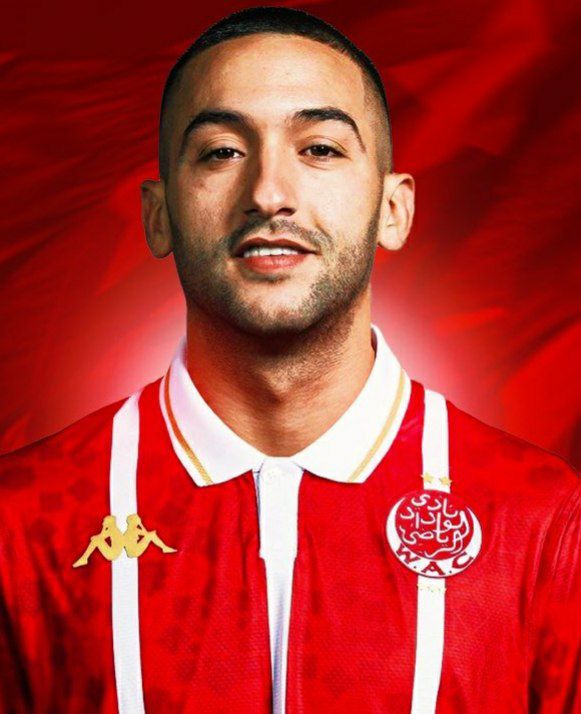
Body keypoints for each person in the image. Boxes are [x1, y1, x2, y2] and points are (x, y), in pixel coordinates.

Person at [0, 6, 578, 714]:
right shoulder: (21, 519)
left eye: (320, 149)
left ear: (393, 209)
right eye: (221, 151)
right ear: (158, 214)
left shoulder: (544, 519)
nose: (269, 193)